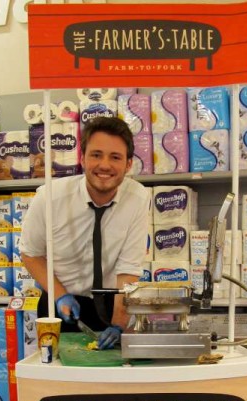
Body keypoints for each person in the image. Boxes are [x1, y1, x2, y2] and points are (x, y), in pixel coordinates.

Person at [20, 116, 150, 350]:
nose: (105, 165)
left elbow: (128, 269)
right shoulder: (49, 197)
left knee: (111, 379)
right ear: (82, 158)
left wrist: (119, 324)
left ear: (129, 164)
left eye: (116, 157)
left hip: (112, 303)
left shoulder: (138, 198)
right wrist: (59, 295)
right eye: (96, 155)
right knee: (58, 381)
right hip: (59, 303)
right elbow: (31, 254)